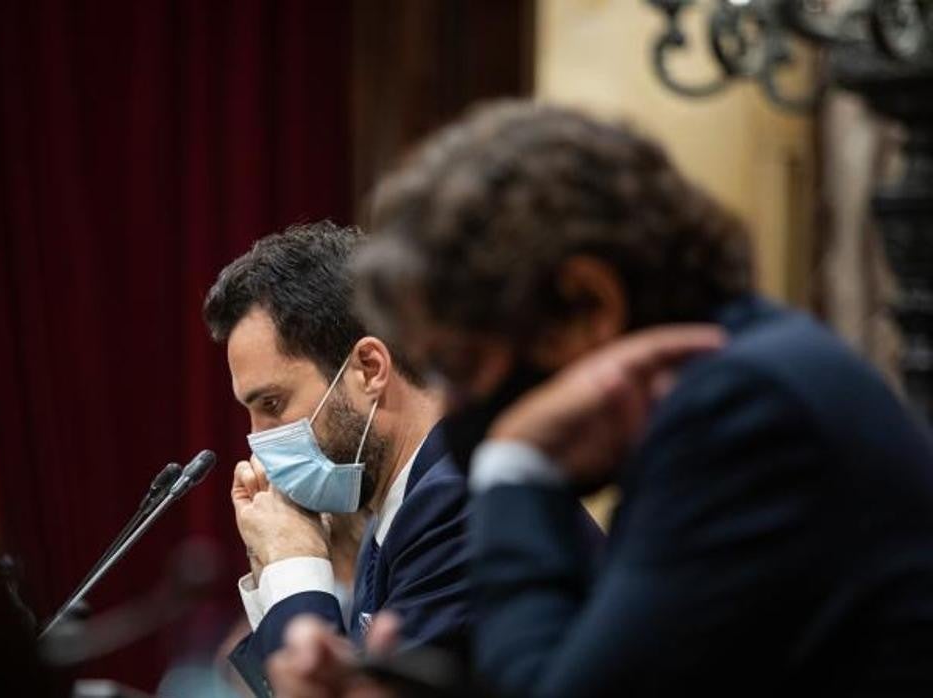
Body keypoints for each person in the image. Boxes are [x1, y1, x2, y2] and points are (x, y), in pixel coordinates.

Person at [309, 100, 933, 696]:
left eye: (464, 365)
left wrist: (516, 467)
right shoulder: (744, 373)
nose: (455, 403)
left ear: (588, 303)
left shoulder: (740, 408)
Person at [202, 222, 474, 697]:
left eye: (272, 405)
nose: (256, 441)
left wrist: (294, 567)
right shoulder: (389, 519)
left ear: (369, 369)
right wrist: (273, 568)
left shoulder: (459, 501)